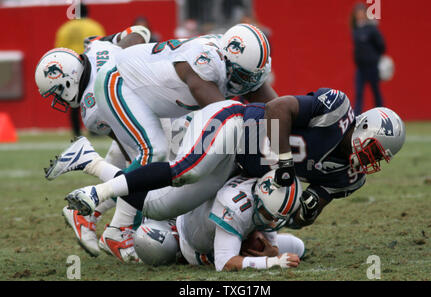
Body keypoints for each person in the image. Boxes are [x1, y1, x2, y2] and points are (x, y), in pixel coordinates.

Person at [39, 23, 277, 262]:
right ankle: (113, 223)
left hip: (151, 94)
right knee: (154, 155)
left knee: (153, 159)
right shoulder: (93, 94)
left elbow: (266, 101)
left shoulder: (228, 54)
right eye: (245, 77)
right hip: (121, 85)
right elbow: (138, 31)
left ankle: (108, 211)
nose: (248, 84)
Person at [59, 87, 406, 235]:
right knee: (184, 172)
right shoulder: (337, 108)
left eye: (380, 159)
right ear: (362, 127)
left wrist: (304, 213)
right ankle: (99, 193)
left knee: (160, 209)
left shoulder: (348, 177)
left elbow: (294, 216)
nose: (370, 161)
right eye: (373, 150)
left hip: (239, 168)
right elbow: (277, 108)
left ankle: (88, 160)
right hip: (235, 125)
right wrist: (284, 164)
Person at [36, 25, 153, 258]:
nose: (58, 99)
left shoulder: (93, 109)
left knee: (144, 169)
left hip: (150, 106)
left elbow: (132, 150)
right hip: (150, 106)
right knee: (147, 169)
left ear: (68, 81)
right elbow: (140, 32)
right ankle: (115, 230)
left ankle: (89, 171)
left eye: (56, 92)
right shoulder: (95, 46)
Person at [134, 171, 305, 271]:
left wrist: (273, 250)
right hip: (196, 246)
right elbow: (224, 263)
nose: (273, 222)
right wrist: (272, 262)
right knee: (152, 244)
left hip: (230, 227)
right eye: (269, 215)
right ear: (259, 199)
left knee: (297, 247)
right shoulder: (233, 205)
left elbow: (270, 218)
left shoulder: (266, 199)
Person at [54, 2, 105, 137]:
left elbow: (58, 51)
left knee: (73, 100)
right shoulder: (94, 26)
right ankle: (95, 131)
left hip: (71, 69)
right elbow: (101, 48)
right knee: (94, 99)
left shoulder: (65, 28)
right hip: (89, 68)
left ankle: (76, 132)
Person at [351, 3, 386, 115]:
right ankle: (356, 118)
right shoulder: (355, 29)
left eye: (361, 13)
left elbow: (381, 46)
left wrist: (374, 58)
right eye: (357, 13)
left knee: (376, 92)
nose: (359, 15)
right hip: (360, 68)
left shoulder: (372, 29)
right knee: (359, 94)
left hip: (372, 67)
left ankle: (382, 115)